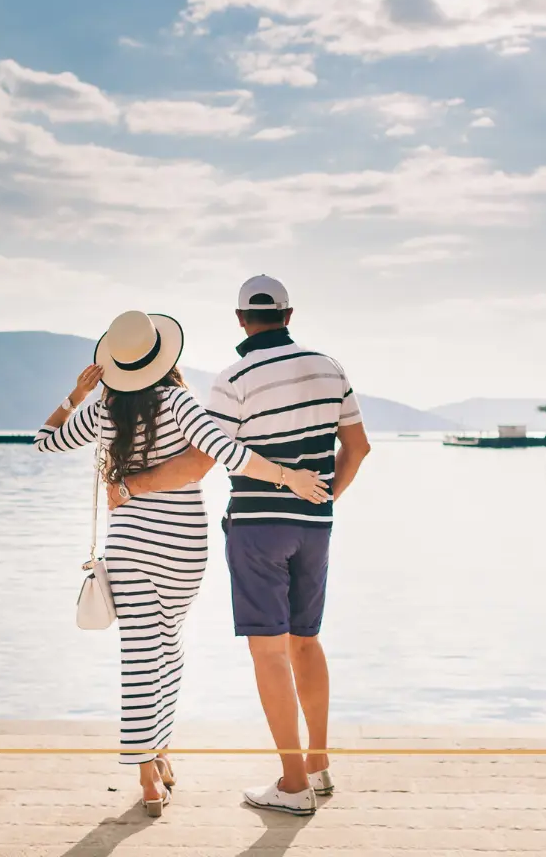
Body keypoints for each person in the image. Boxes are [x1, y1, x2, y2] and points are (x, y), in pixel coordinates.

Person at [34, 309, 329, 818]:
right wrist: (289, 477)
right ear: (163, 357)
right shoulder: (179, 401)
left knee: (139, 656)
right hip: (181, 547)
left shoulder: (102, 411)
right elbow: (226, 451)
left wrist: (75, 395)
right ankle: (158, 755)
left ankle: (150, 772)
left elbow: (45, 441)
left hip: (126, 544)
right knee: (169, 649)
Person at [111, 276, 371, 816]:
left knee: (269, 651)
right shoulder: (330, 367)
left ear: (239, 319)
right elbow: (359, 446)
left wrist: (133, 485)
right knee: (307, 641)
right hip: (314, 526)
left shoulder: (234, 377)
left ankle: (293, 784)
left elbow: (205, 460)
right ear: (289, 313)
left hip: (257, 527)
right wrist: (324, 499)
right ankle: (319, 766)